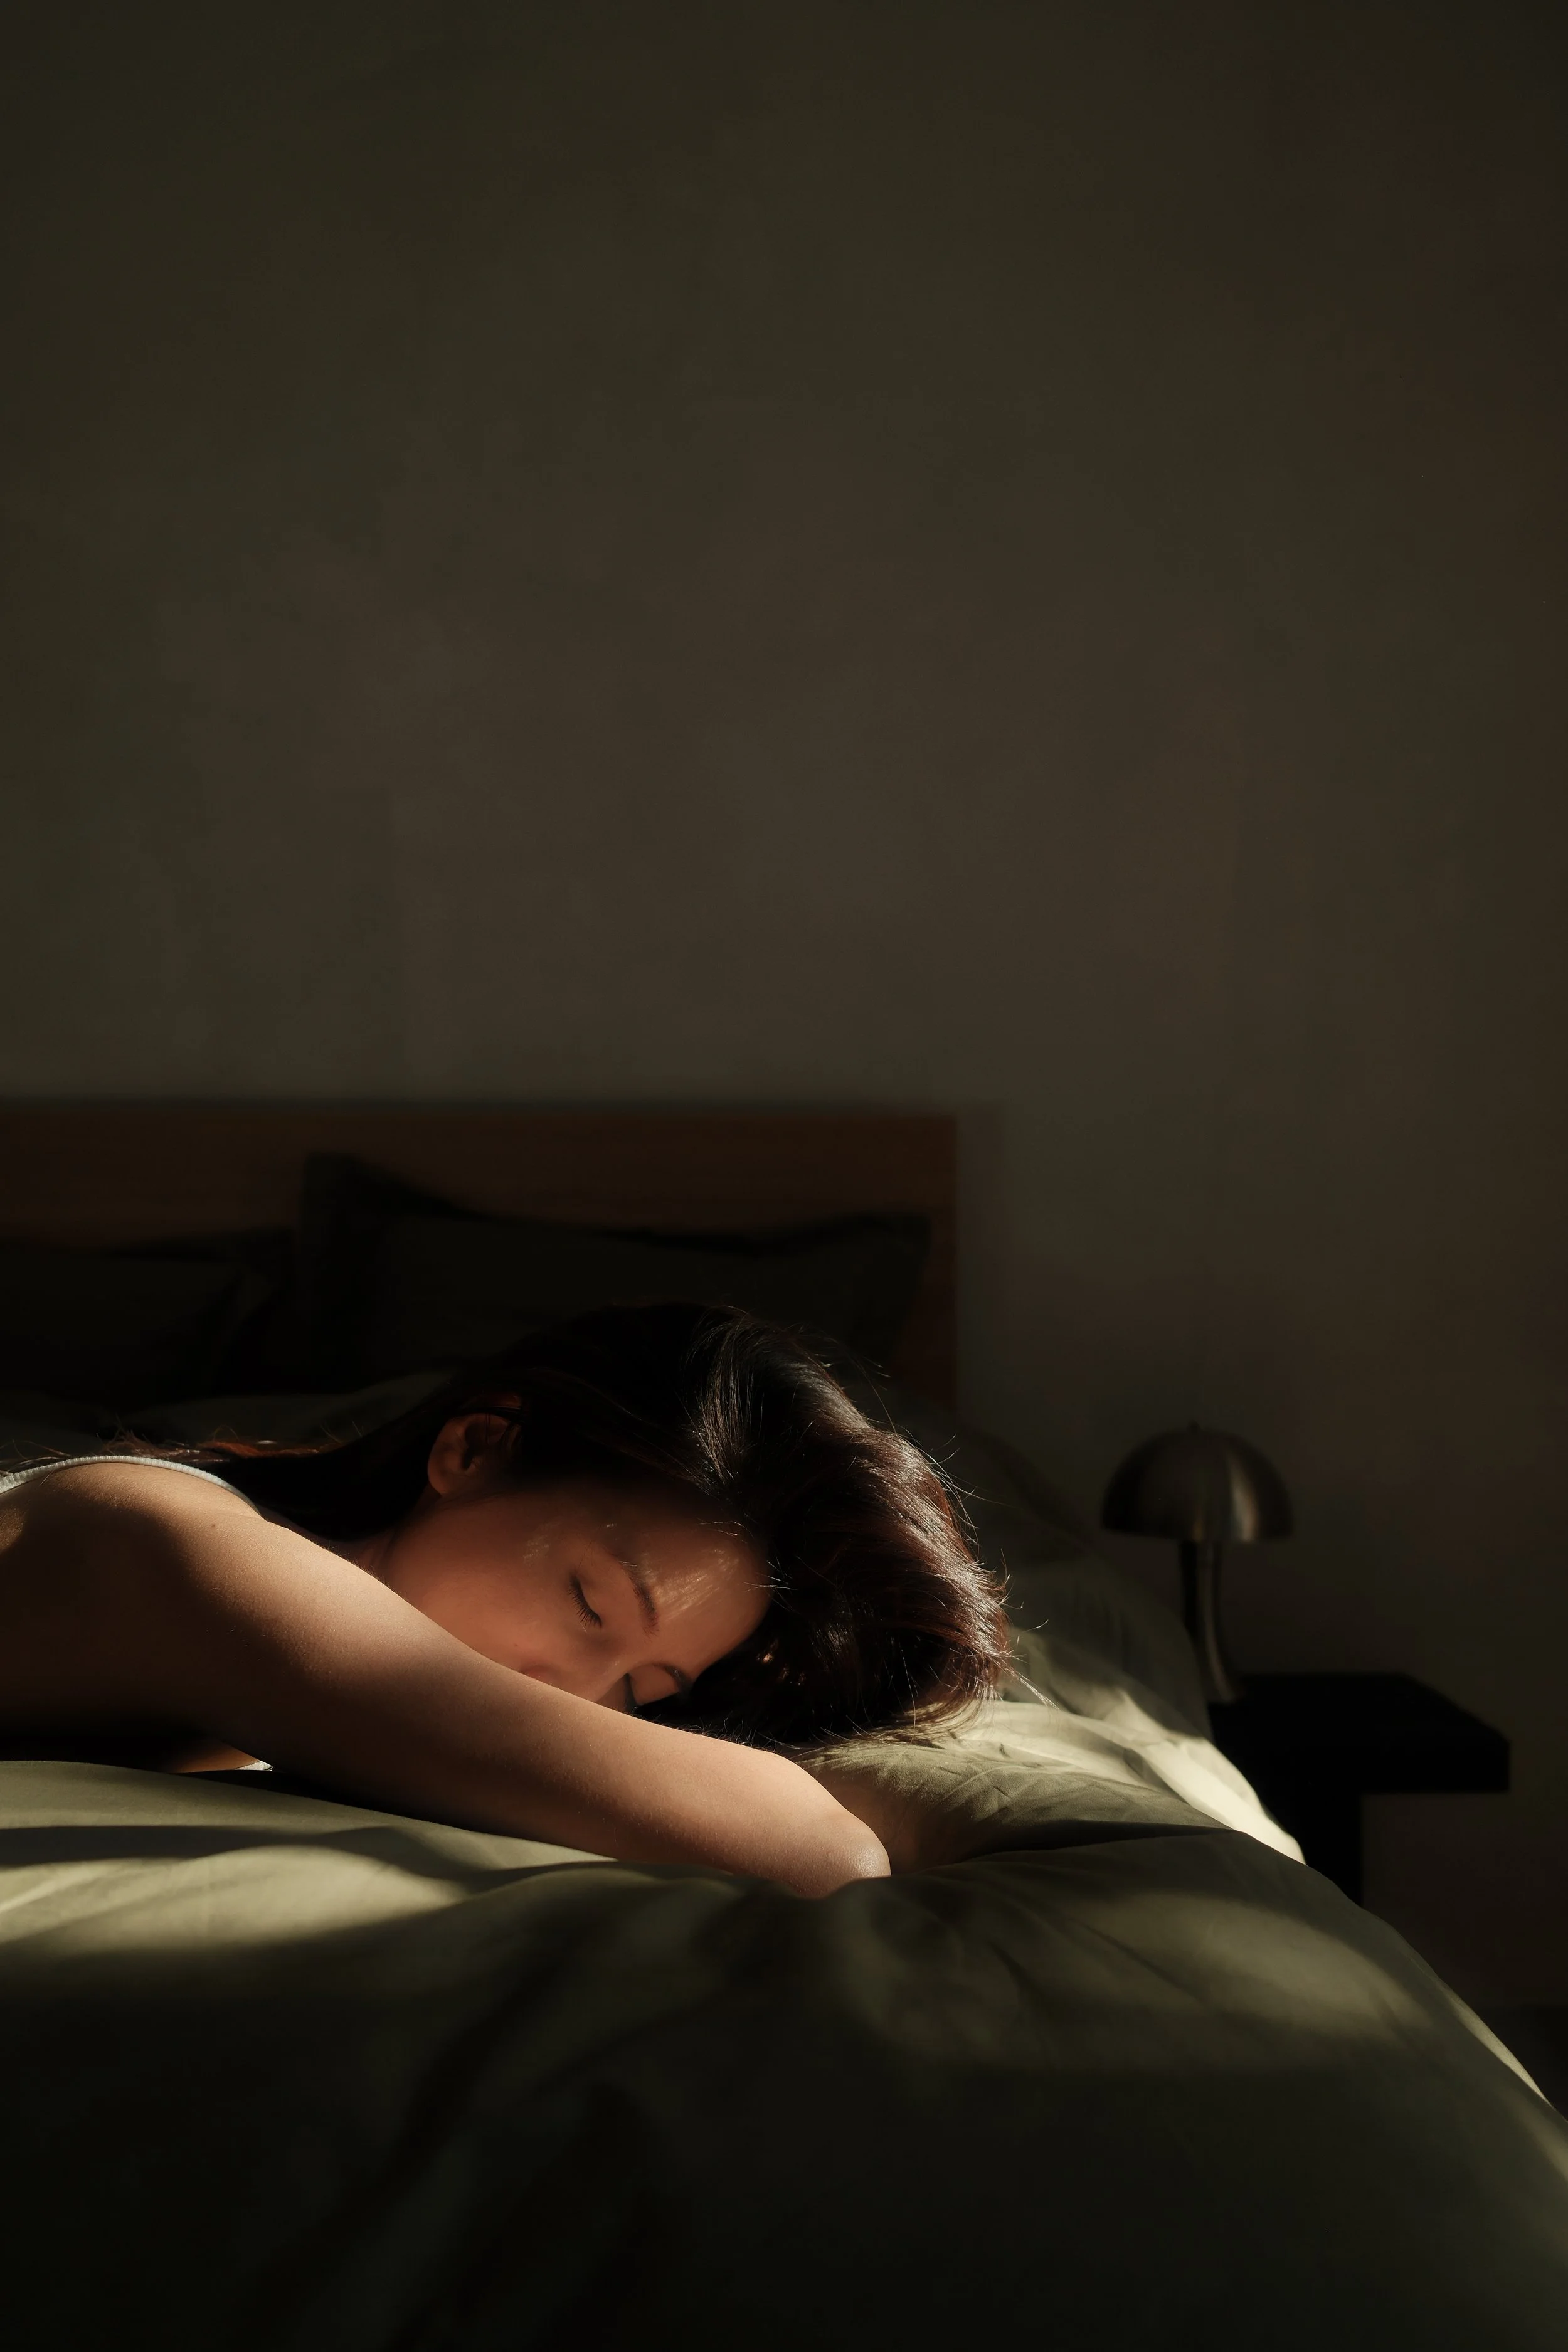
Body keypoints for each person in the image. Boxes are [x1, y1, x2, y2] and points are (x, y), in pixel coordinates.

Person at [0, 1303, 1010, 1896]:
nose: (578, 1696)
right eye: (589, 1603)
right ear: (473, 1448)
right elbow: (815, 1848)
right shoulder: (171, 1543)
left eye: (648, 1684)